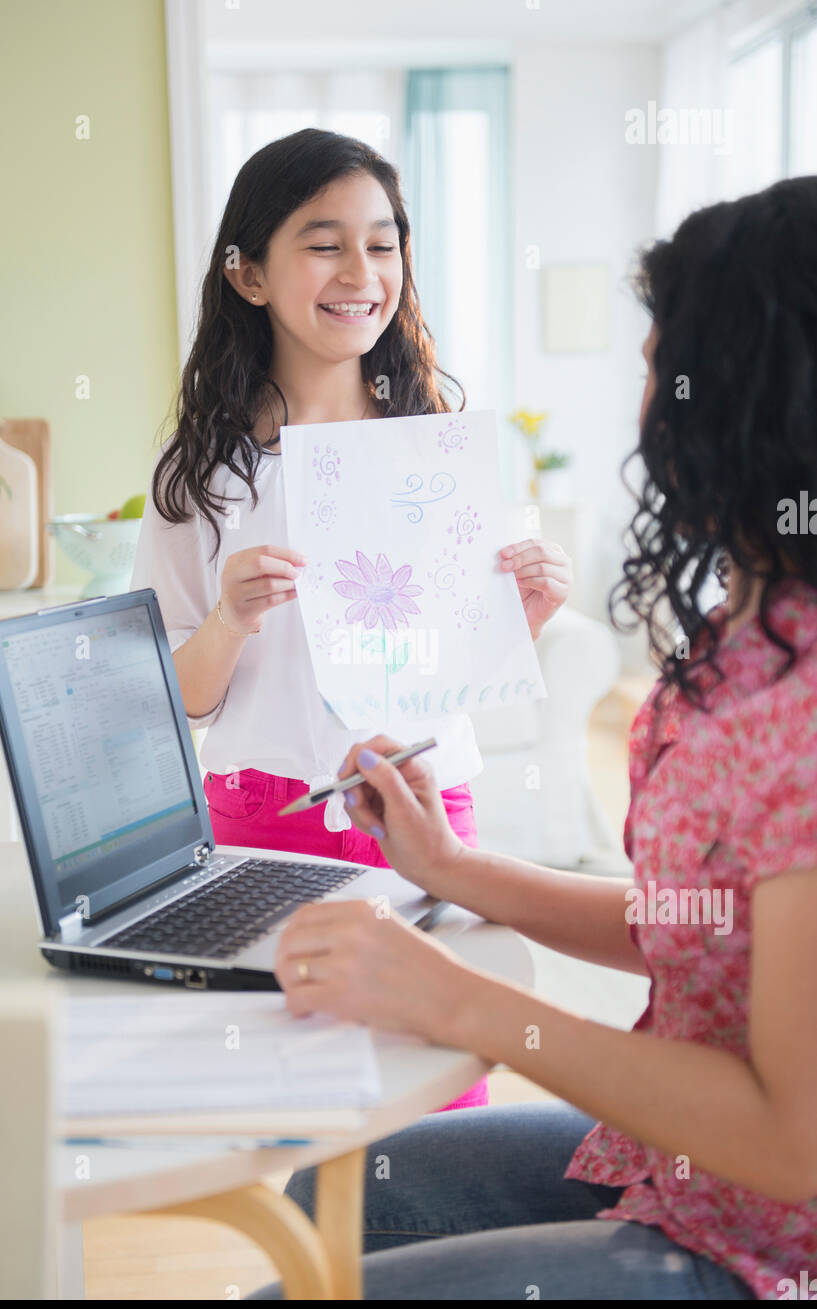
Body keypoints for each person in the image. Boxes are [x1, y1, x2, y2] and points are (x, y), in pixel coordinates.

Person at [249, 176, 817, 1300]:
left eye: (663, 363)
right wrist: (457, 872)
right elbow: (701, 928)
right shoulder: (752, 634)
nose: (650, 399)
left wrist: (464, 1004)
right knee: (334, 1193)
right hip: (687, 1178)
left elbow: (791, 1142)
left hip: (767, 1255)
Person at [131, 128, 571, 1113]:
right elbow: (179, 700)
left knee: (435, 1079)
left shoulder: (433, 451)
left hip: (422, 808)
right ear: (248, 274)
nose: (360, 271)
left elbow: (447, 666)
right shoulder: (204, 476)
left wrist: (520, 618)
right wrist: (231, 619)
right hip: (261, 816)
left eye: (382, 243)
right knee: (289, 1088)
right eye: (323, 242)